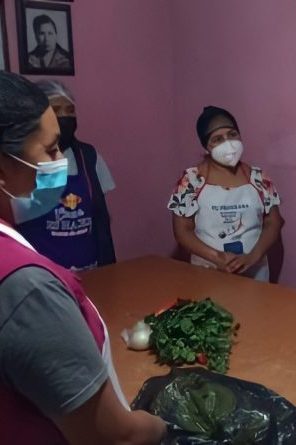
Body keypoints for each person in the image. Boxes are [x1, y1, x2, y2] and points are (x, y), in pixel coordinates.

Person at [0, 72, 165, 443]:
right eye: (50, 150)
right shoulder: (27, 287)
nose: (61, 160)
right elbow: (114, 436)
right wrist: (160, 425)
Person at [11, 80, 116, 271]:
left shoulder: (88, 157)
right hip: (42, 274)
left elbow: (101, 218)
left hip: (89, 270)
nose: (64, 117)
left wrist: (108, 266)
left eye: (70, 110)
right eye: (56, 110)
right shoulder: (23, 161)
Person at [169, 106, 283, 281]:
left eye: (232, 134)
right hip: (207, 272)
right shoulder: (190, 181)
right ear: (206, 146)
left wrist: (252, 256)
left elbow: (273, 222)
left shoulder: (259, 178)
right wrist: (217, 258)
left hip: (254, 273)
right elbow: (182, 230)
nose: (228, 144)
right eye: (217, 139)